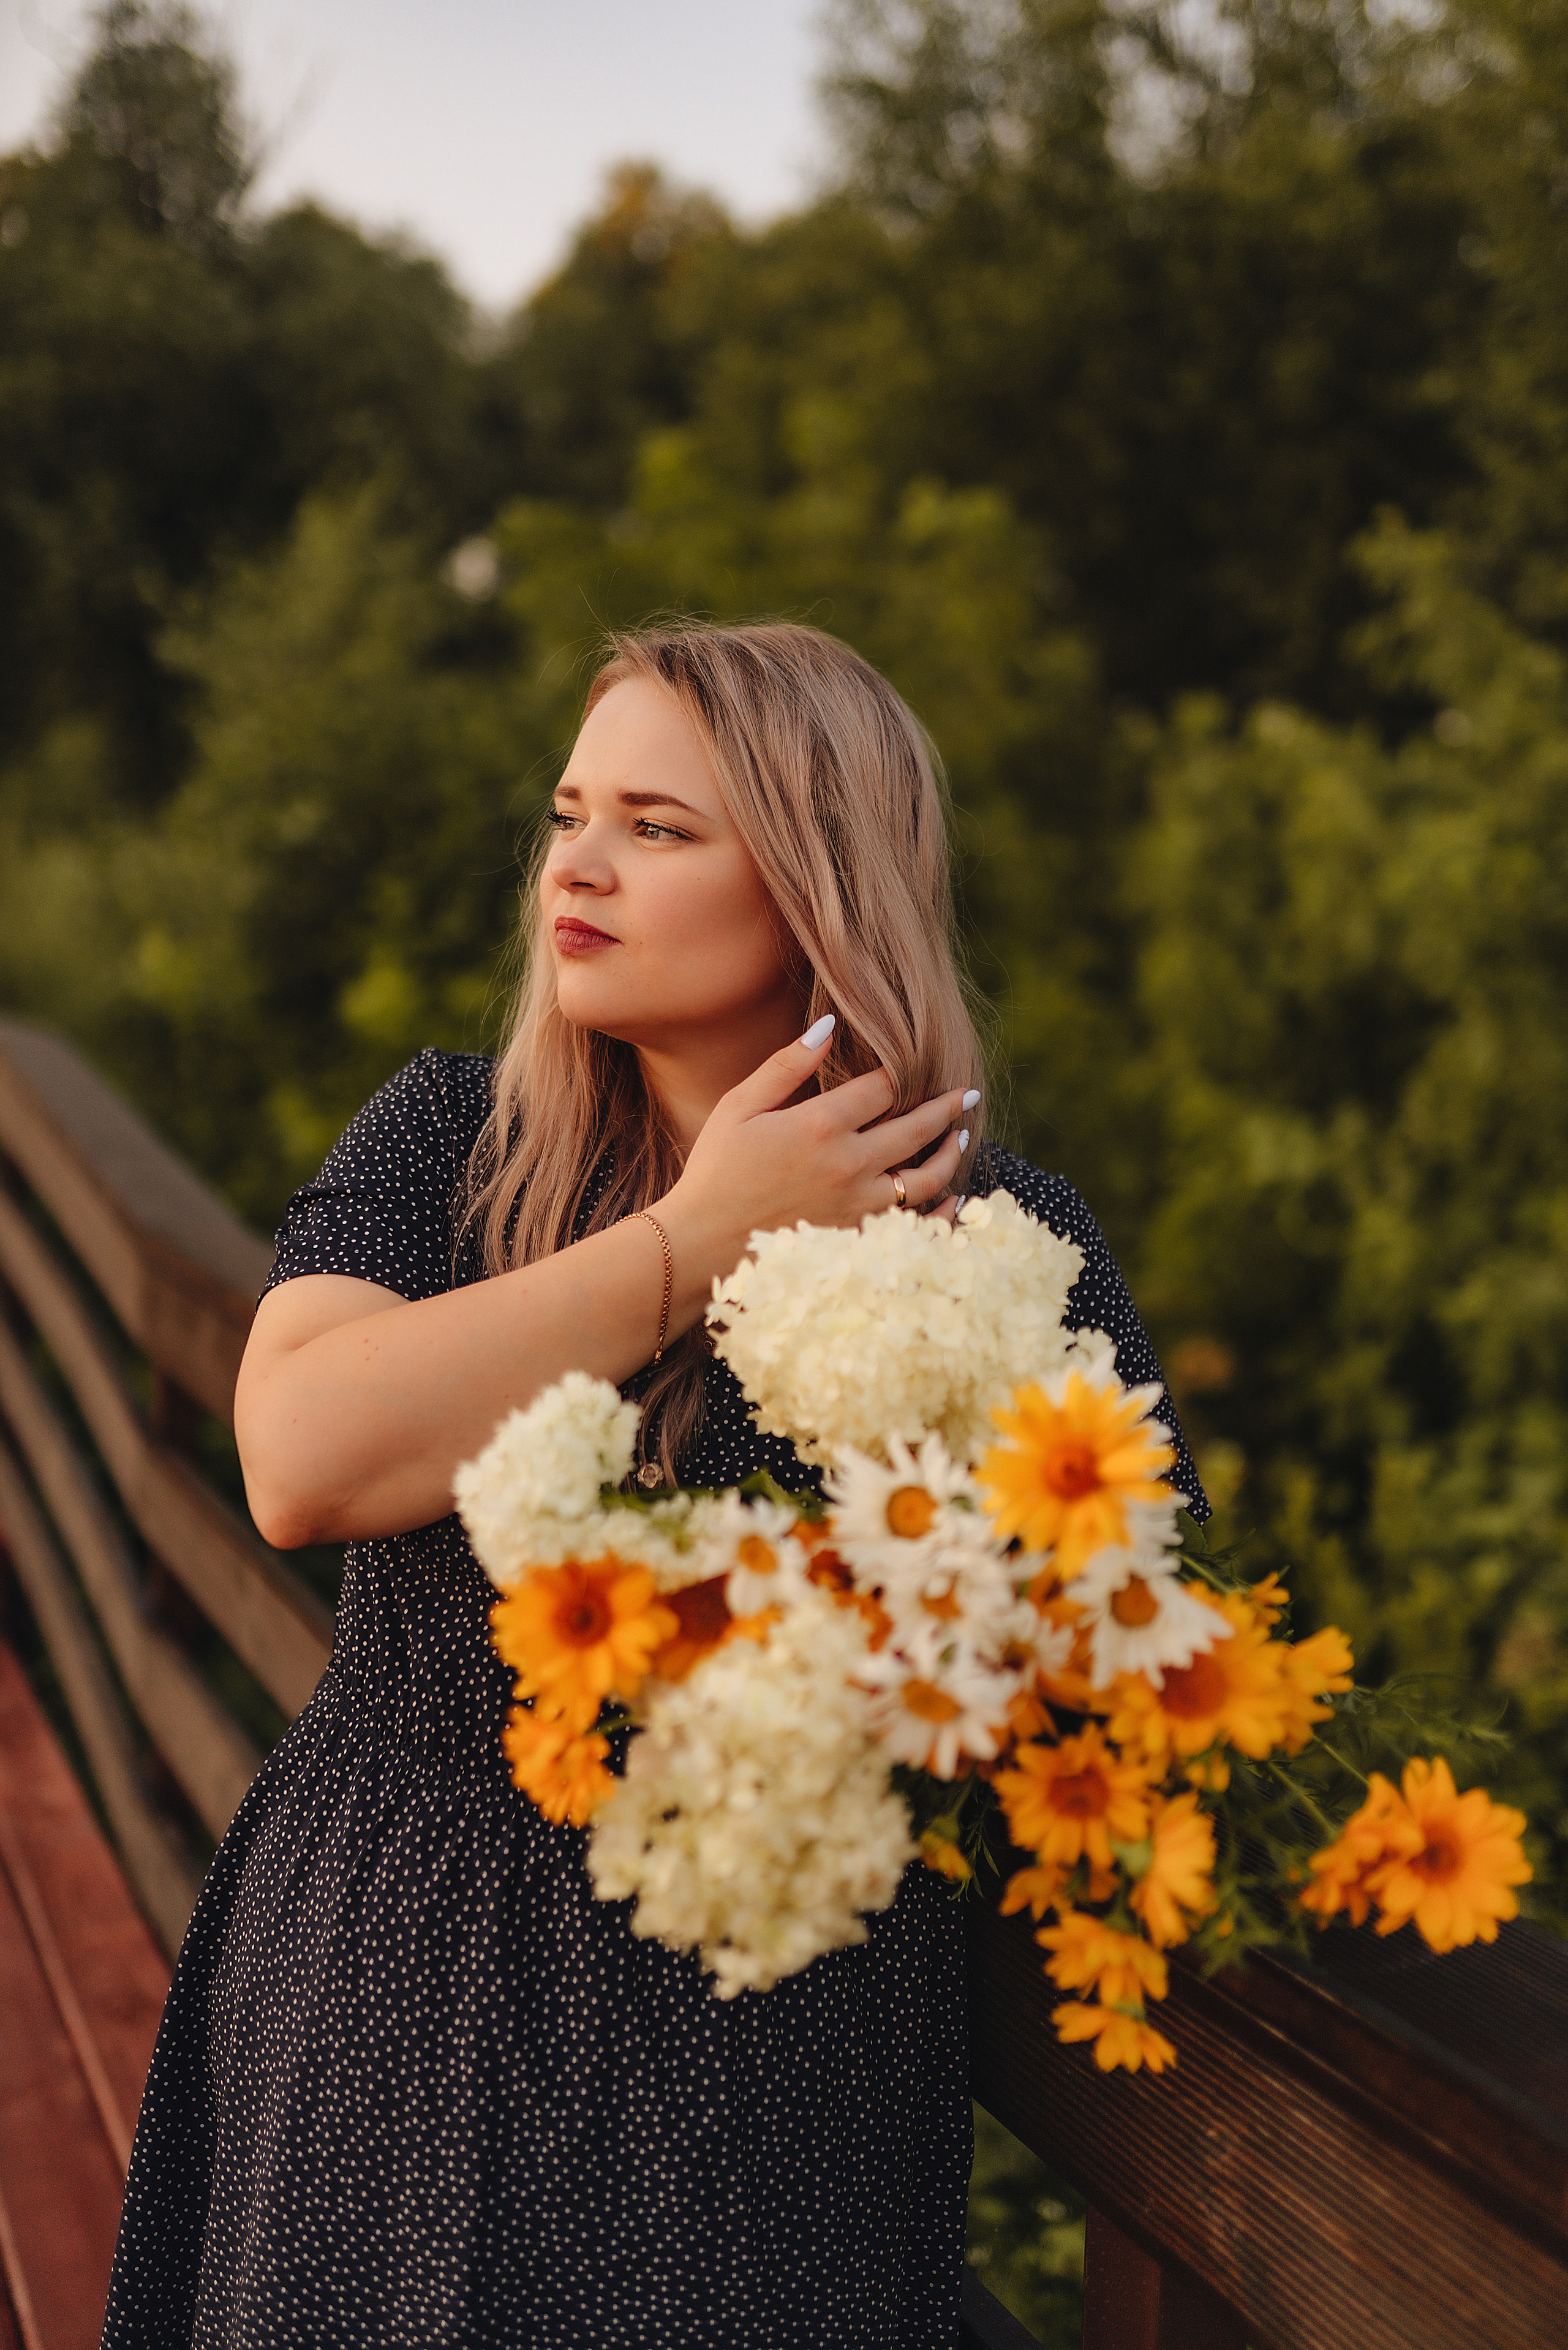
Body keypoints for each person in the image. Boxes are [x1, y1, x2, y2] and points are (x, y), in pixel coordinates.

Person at [101, 622, 1204, 2349]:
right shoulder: (450, 1148)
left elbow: (1130, 1646)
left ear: (817, 884)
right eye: (568, 814)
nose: (579, 868)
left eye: (660, 828)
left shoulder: (1011, 1244)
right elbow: (300, 1466)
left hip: (775, 2070)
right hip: (410, 1992)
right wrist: (697, 1241)